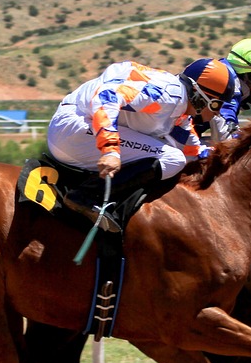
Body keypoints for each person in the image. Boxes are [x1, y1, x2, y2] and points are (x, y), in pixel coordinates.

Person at [47, 58, 236, 232]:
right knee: (172, 158)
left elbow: (192, 150)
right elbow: (106, 97)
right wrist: (110, 150)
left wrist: (222, 157)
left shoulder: (180, 110)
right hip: (73, 131)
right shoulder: (168, 95)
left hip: (77, 131)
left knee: (176, 155)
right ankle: (85, 196)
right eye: (217, 106)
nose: (218, 114)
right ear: (201, 97)